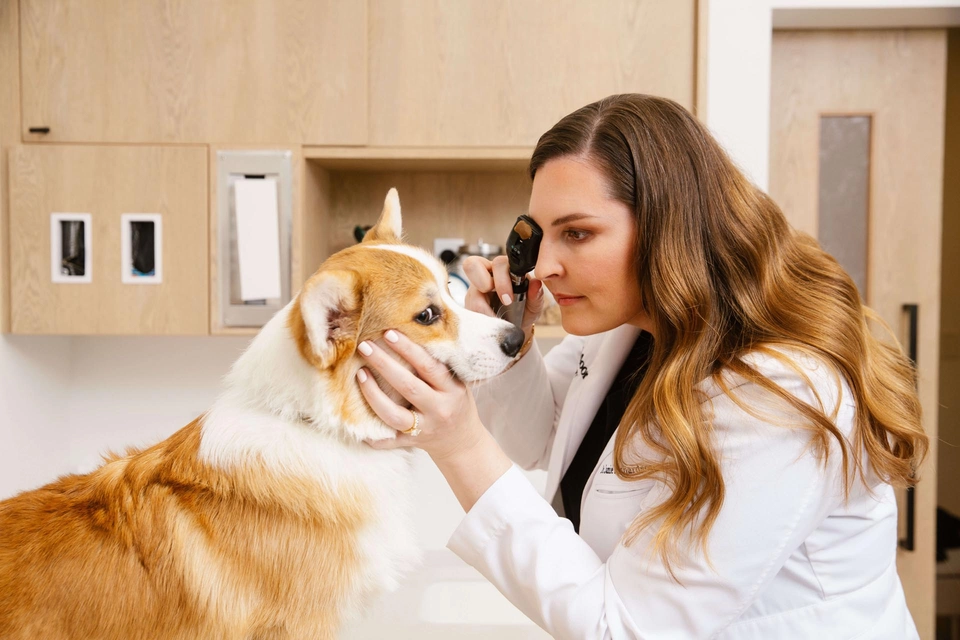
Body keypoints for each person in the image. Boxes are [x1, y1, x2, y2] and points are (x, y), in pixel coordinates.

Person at [354, 94, 927, 639]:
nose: (544, 266)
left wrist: (458, 445)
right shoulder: (633, 329)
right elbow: (544, 440)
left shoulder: (783, 394)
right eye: (539, 235)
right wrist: (511, 342)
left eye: (577, 233)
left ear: (669, 228)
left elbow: (629, 627)